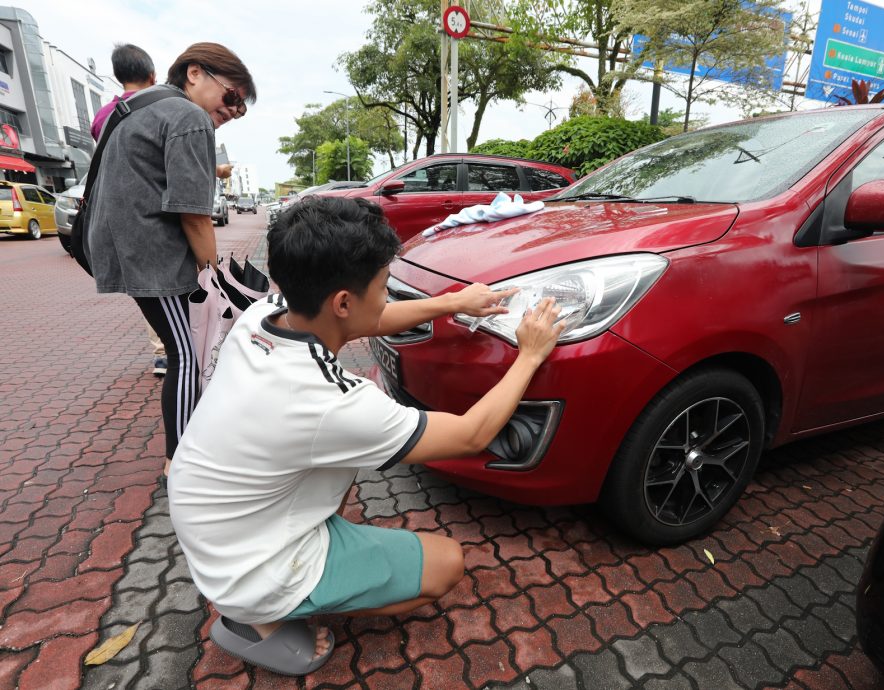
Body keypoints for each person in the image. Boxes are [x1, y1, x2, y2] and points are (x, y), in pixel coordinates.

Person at [167, 196, 564, 676]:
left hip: (212, 519)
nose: (388, 295)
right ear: (342, 301)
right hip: (247, 566)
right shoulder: (332, 403)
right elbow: (469, 435)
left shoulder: (265, 315)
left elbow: (367, 317)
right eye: (384, 285)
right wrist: (530, 354)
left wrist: (455, 303)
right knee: (447, 564)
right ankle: (264, 616)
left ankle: (276, 588)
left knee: (339, 471)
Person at [86, 42, 256, 476]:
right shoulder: (189, 117)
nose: (233, 111)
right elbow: (195, 216)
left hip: (128, 248)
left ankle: (191, 447)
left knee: (186, 350)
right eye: (232, 96)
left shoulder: (143, 108)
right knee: (188, 354)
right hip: (155, 254)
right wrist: (214, 279)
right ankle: (179, 464)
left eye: (241, 108)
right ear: (195, 73)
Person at [90, 44, 171, 377]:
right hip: (154, 212)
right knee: (165, 285)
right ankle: (172, 349)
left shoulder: (102, 116)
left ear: (117, 76)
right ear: (153, 76)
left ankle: (163, 352)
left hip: (115, 216)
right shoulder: (158, 108)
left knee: (147, 289)